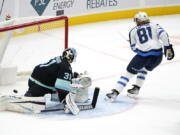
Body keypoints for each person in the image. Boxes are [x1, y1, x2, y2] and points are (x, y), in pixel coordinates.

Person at [105, 11, 175, 102]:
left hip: (143, 57)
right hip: (158, 56)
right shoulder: (155, 25)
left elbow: (134, 48)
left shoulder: (133, 31)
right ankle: (136, 89)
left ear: (137, 20)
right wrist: (167, 47)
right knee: (144, 69)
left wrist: (139, 48)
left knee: (128, 74)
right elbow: (163, 34)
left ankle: (115, 93)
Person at [0, 48, 92, 115]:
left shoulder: (59, 58)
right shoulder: (66, 67)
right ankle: (11, 100)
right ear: (71, 57)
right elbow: (61, 86)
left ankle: (28, 95)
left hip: (34, 78)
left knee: (44, 92)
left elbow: (57, 72)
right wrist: (64, 100)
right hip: (40, 85)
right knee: (33, 102)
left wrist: (73, 75)